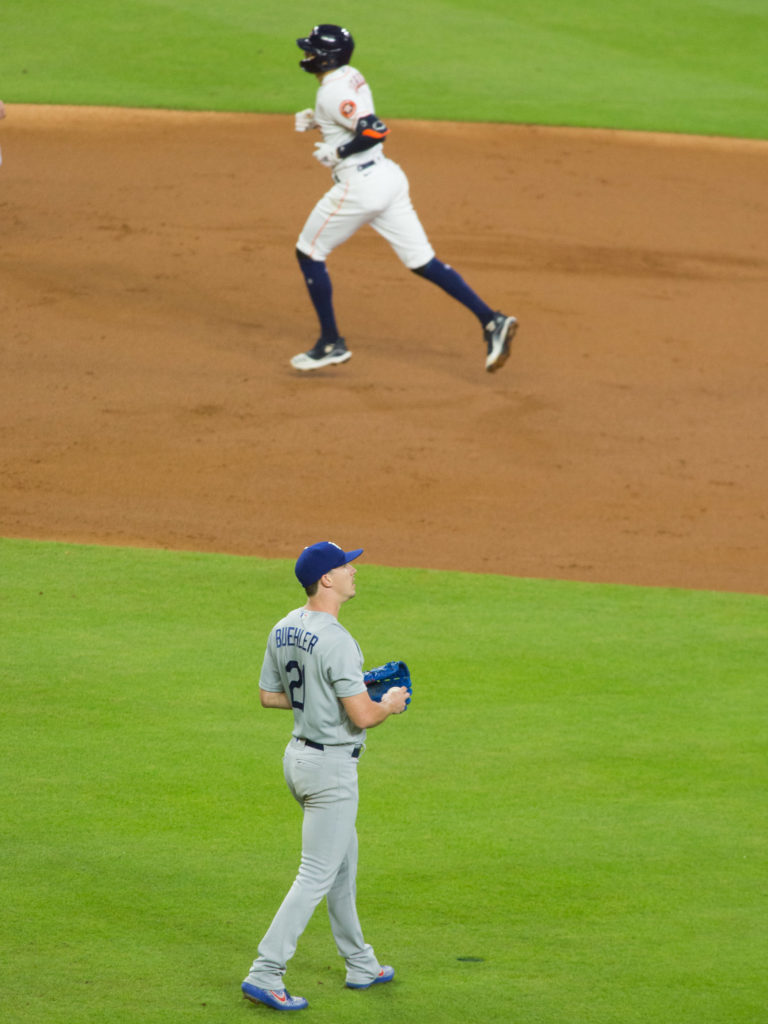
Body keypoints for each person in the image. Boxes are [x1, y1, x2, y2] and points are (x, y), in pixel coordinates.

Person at [290, 24, 518, 374]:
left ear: (327, 57)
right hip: (388, 179)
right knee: (421, 260)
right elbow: (354, 116)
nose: (306, 56)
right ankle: (491, 320)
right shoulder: (348, 75)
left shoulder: (331, 94)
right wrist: (320, 123)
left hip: (360, 186)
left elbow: (374, 129)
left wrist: (338, 151)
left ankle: (331, 343)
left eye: (311, 51)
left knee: (309, 252)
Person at [241, 541, 410, 1012]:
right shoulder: (337, 639)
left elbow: (268, 695)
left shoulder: (284, 626)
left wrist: (321, 696)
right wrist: (388, 704)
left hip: (298, 760)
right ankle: (266, 971)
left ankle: (361, 962)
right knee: (316, 873)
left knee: (341, 865)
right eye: (345, 565)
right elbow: (364, 717)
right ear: (326, 580)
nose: (354, 570)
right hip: (331, 769)